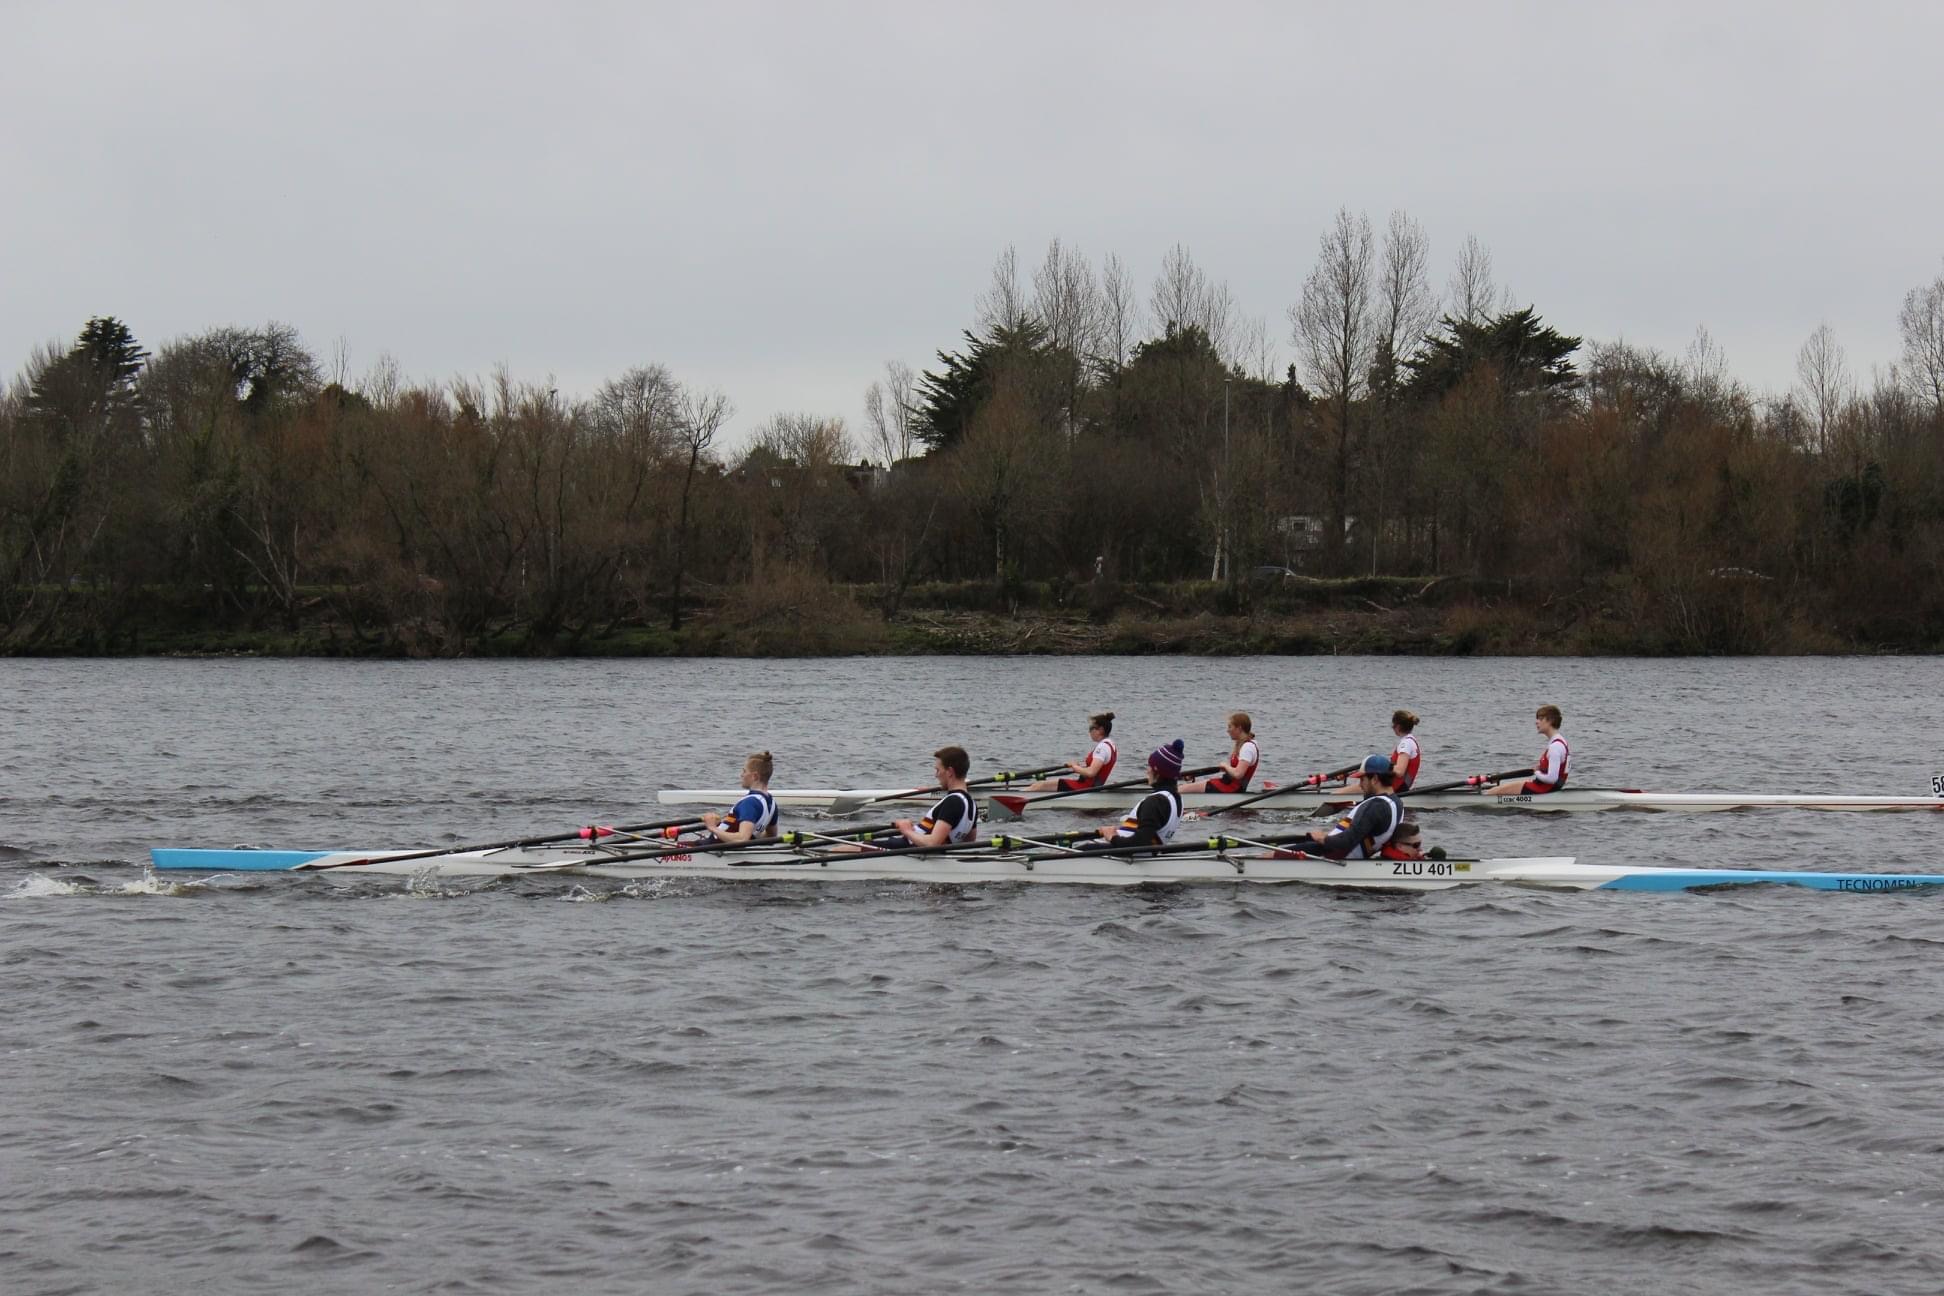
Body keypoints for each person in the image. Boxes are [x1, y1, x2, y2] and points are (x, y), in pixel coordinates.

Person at [1081, 739, 1186, 851]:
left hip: (1126, 856)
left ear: (1157, 771)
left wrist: (1112, 837)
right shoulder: (1176, 799)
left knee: (1085, 848)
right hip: (1141, 854)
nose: (1147, 771)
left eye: (1150, 766)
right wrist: (1115, 831)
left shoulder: (1154, 802)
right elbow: (1147, 835)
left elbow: (1140, 843)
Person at [1297, 755, 1405, 860]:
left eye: (1362, 779)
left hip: (1329, 856)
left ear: (1375, 779)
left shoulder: (1375, 806)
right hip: (1336, 851)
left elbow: (1346, 841)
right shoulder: (1397, 803)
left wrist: (1323, 838)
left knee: (1281, 852)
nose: (1360, 785)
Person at [891, 746, 980, 846]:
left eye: (938, 770)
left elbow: (933, 843)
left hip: (907, 848)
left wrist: (906, 830)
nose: (936, 775)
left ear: (950, 772)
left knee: (870, 845)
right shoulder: (971, 804)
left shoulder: (953, 802)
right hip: (916, 849)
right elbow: (969, 842)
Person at [1484, 704, 1571, 796]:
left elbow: (1552, 778)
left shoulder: (1555, 747)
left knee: (1491, 792)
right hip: (1546, 787)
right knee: (1504, 787)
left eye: (1541, 719)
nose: (1536, 722)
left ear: (1550, 721)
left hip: (1542, 789)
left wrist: (1536, 772)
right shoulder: (1561, 741)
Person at [695, 751, 780, 843]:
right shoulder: (772, 804)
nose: (741, 775)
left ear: (755, 776)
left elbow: (742, 838)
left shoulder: (750, 803)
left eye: (744, 771)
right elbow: (771, 836)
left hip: (713, 849)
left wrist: (712, 828)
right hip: (724, 849)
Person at [1027, 712, 1118, 792]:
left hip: (1085, 788)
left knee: (1039, 785)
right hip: (1088, 786)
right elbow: (1095, 767)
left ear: (1101, 730)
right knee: (1037, 785)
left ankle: (1017, 798)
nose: (1089, 731)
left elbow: (1091, 773)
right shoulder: (1110, 745)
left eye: (1091, 728)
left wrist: (1075, 767)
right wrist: (1078, 765)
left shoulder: (1102, 748)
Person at [1179, 713, 1259, 794]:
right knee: (1183, 787)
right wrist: (1193, 774)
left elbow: (1238, 774)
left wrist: (1225, 766)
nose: (1227, 730)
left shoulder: (1248, 747)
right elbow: (1234, 771)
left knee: (1180, 790)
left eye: (1230, 727)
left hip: (1230, 789)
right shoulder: (1244, 745)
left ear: (1239, 728)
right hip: (1227, 785)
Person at [1389, 710, 1423, 793]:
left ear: (1398, 726)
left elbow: (1400, 771)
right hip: (1400, 785)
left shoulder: (1406, 743)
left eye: (1393, 724)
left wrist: (1380, 767)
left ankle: (1351, 797)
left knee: (1364, 784)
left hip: (1398, 788)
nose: (1392, 727)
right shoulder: (1410, 740)